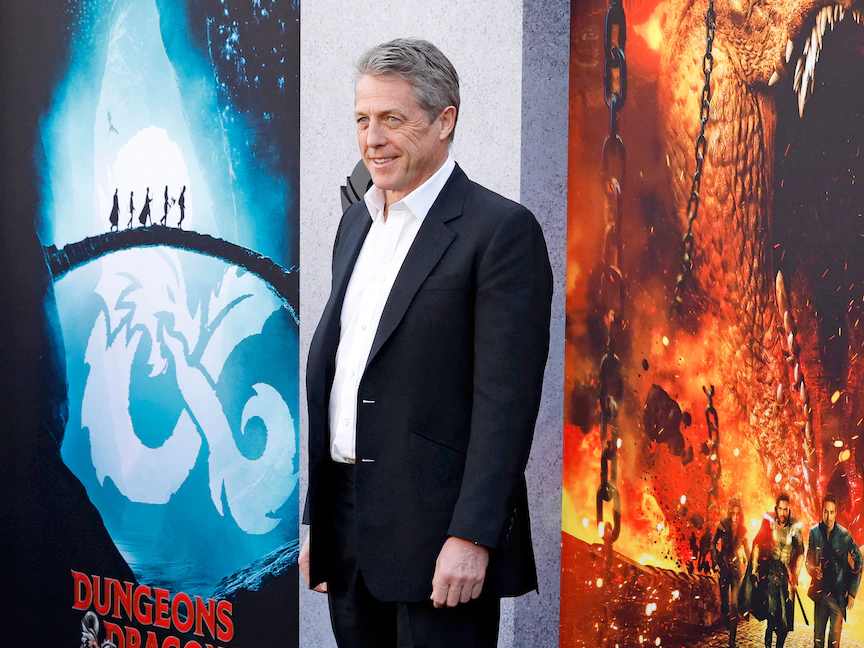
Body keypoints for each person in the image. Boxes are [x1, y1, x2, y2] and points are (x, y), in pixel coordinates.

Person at [300, 38, 552, 648]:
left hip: (442, 542)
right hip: (349, 529)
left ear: (445, 121)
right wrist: (320, 520)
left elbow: (506, 406)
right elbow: (345, 374)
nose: (373, 139)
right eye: (362, 119)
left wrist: (473, 535)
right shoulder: (355, 222)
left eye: (393, 118)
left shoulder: (500, 231)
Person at [806, 493, 862, 648]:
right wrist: (813, 570)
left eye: (831, 512)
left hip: (838, 597)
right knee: (818, 641)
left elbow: (859, 560)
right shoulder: (814, 532)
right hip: (820, 595)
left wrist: (852, 592)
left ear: (836, 512)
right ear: (822, 511)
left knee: (834, 643)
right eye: (826, 512)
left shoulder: (844, 536)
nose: (828, 517)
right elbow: (808, 560)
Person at [751, 492, 805, 648]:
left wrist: (795, 575)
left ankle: (779, 644)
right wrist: (755, 569)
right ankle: (769, 640)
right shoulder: (769, 523)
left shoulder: (795, 527)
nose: (783, 513)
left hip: (787, 575)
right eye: (780, 509)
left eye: (785, 509)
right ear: (776, 508)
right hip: (771, 573)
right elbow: (757, 544)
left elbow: (800, 553)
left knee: (785, 621)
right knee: (772, 615)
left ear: (789, 509)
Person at [713, 497, 748, 647]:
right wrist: (715, 563)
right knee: (725, 605)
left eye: (737, 514)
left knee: (734, 604)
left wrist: (751, 564)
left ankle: (732, 639)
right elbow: (713, 543)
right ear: (729, 513)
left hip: (735, 569)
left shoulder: (743, 530)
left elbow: (747, 549)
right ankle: (726, 618)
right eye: (733, 513)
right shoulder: (722, 525)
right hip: (724, 566)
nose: (735, 517)